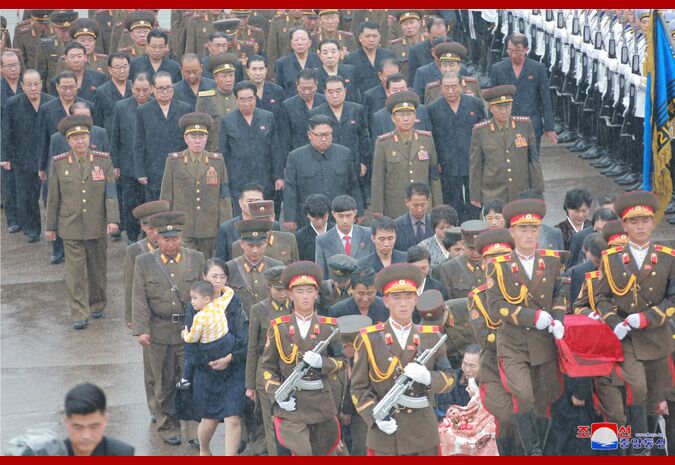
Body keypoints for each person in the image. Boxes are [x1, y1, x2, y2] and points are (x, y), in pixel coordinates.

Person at [594, 191, 675, 447]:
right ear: (625, 225)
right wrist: (613, 322)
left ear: (653, 223)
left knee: (655, 396)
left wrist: (648, 317)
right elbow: (601, 297)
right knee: (637, 387)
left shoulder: (667, 257)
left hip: (656, 334)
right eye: (634, 222)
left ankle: (644, 445)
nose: (640, 226)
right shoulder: (611, 259)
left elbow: (672, 297)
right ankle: (641, 452)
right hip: (627, 336)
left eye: (645, 221)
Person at [486, 198, 566, 455]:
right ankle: (532, 451)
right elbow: (495, 306)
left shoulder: (551, 261)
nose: (529, 234)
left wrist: (558, 318)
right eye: (523, 229)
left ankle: (538, 449)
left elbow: (558, 293)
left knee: (543, 400)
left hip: (543, 342)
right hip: (513, 343)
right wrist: (531, 317)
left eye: (534, 228)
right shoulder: (498, 266)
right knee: (523, 395)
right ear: (512, 232)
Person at [350, 263, 455, 455]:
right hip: (387, 436)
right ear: (386, 301)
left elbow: (449, 378)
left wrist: (429, 378)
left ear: (416, 299)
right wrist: (375, 417)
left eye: (408, 296)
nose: (403, 303)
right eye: (396, 297)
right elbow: (358, 388)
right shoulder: (369, 339)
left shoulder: (431, 336)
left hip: (422, 433)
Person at [132, 210, 205, 446]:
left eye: (175, 239)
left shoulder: (196, 258)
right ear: (157, 238)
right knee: (163, 382)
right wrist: (141, 329)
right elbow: (139, 298)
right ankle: (167, 425)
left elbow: (206, 294)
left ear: (181, 237)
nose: (171, 244)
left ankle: (194, 429)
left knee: (191, 379)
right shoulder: (144, 262)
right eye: (166, 239)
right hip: (159, 330)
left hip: (189, 329)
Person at [259, 261, 347, 456]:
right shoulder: (279, 327)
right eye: (300, 291)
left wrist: (322, 363)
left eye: (309, 291)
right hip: (292, 403)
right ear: (290, 295)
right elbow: (267, 368)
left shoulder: (329, 326)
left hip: (321, 403)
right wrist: (277, 394)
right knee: (302, 452)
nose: (305, 296)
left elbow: (342, 361)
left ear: (316, 294)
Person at [45, 115, 119, 330]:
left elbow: (111, 193)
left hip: (97, 223)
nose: (80, 141)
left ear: (89, 137)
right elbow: (53, 197)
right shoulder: (59, 164)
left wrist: (113, 219)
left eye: (84, 137)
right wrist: (50, 226)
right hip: (71, 225)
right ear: (68, 141)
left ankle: (97, 303)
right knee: (75, 273)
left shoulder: (103, 161)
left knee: (97, 269)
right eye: (75, 138)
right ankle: (79, 312)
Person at [175, 258, 249, 456]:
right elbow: (190, 342)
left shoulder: (233, 301)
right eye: (214, 276)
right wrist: (206, 361)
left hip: (232, 367)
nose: (218, 281)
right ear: (204, 277)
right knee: (209, 420)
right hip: (206, 368)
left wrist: (231, 357)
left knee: (233, 417)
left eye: (222, 277)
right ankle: (204, 449)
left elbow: (242, 334)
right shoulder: (195, 305)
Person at [469, 227, 520, 455]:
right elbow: (487, 339)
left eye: (505, 257)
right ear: (483, 264)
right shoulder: (478, 298)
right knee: (508, 418)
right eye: (492, 258)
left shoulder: (524, 289)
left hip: (528, 363)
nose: (499, 263)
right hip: (496, 369)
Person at [160, 112, 233, 258]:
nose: (198, 141)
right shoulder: (174, 162)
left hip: (209, 227)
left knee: (209, 264)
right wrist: (166, 225)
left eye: (202, 136)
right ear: (185, 138)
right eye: (193, 137)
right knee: (186, 264)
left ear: (207, 138)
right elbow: (166, 196)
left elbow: (224, 196)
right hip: (183, 226)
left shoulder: (217, 162)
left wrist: (225, 225)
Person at [122, 200, 169, 423]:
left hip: (171, 312)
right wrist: (131, 317)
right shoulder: (136, 251)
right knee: (152, 365)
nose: (154, 233)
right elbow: (130, 285)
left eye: (157, 228)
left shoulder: (175, 245)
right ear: (143, 228)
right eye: (149, 228)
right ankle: (154, 405)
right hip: (148, 315)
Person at [283, 114, 364, 230]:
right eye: (320, 135)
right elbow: (290, 189)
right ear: (309, 135)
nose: (324, 139)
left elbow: (353, 185)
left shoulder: (344, 154)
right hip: (308, 218)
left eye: (327, 134)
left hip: (339, 216)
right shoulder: (296, 157)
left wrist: (359, 211)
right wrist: (290, 217)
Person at [370, 90, 443, 219]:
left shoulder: (426, 139)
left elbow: (434, 175)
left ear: (415, 117)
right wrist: (377, 208)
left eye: (409, 114)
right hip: (396, 205)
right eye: (401, 114)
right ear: (393, 118)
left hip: (423, 204)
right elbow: (378, 178)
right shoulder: (383, 143)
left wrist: (438, 204)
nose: (406, 119)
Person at [1, 68, 54, 243]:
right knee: (27, 196)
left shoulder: (51, 102)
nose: (33, 88)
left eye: (36, 84)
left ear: (41, 84)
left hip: (47, 155)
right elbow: (6, 131)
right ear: (22, 86)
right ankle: (32, 229)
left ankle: (54, 229)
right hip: (23, 155)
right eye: (29, 85)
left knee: (51, 196)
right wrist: (5, 156)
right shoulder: (12, 104)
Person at [469, 85, 544, 208]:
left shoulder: (524, 125)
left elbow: (533, 160)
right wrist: (475, 195)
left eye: (507, 106)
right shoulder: (480, 131)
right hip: (493, 193)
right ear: (491, 108)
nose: (503, 111)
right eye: (499, 107)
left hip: (520, 191)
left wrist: (538, 189)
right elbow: (476, 165)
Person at [428, 71, 486, 221]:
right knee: (452, 203)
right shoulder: (433, 109)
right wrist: (436, 161)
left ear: (461, 86)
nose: (450, 91)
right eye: (446, 87)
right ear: (440, 87)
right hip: (447, 165)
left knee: (475, 202)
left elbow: (484, 133)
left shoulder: (475, 104)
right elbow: (431, 139)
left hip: (472, 162)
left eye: (454, 87)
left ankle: (474, 228)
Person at [219, 80, 283, 215]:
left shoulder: (267, 117)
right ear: (236, 100)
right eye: (242, 99)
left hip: (265, 178)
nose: (246, 103)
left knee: (265, 217)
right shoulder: (227, 121)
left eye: (250, 98)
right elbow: (224, 153)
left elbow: (276, 149)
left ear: (255, 98)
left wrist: (278, 176)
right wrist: (225, 181)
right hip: (238, 179)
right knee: (242, 218)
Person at [246, 265, 290, 455]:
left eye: (285, 289)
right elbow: (252, 349)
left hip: (290, 372)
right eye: (278, 289)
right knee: (271, 424)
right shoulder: (259, 310)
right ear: (269, 287)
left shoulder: (296, 307)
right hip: (265, 374)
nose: (282, 294)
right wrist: (250, 385)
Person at [489, 33, 557, 149]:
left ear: (526, 50)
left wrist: (549, 127)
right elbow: (493, 99)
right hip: (506, 124)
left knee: (532, 158)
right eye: (510, 51)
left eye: (518, 51)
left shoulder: (538, 68)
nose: (513, 55)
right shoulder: (498, 69)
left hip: (531, 124)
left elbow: (546, 99)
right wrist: (491, 124)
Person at [134, 71, 192, 201]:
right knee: (157, 207)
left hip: (180, 167)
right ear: (153, 89)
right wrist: (141, 172)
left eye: (168, 87)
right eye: (161, 88)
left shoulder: (185, 109)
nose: (165, 91)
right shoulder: (143, 111)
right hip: (154, 169)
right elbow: (139, 143)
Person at [110, 72, 153, 244]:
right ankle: (132, 237)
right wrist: (115, 164)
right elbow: (115, 136)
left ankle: (149, 237)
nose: (141, 94)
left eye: (145, 90)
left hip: (150, 164)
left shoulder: (156, 106)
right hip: (128, 164)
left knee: (148, 203)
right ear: (131, 88)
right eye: (137, 90)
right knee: (129, 203)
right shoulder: (121, 107)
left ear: (151, 89)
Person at [309, 75, 370, 184]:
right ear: (325, 92)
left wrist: (363, 162)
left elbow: (363, 138)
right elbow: (312, 142)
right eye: (330, 92)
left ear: (345, 91)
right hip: (327, 165)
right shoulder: (316, 113)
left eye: (338, 91)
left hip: (353, 165)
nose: (335, 95)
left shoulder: (356, 109)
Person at [178, 281, 235, 392]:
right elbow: (230, 292)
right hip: (226, 342)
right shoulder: (219, 304)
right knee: (232, 337)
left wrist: (184, 334)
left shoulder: (199, 317)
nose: (192, 302)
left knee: (189, 357)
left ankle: (185, 380)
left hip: (210, 348)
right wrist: (221, 287)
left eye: (195, 298)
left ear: (207, 299)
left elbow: (193, 338)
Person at [226, 219, 285, 315]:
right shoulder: (230, 268)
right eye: (250, 246)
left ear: (266, 243)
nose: (255, 251)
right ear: (241, 244)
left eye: (259, 246)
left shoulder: (277, 266)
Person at [214, 183, 282, 262]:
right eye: (250, 201)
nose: (254, 205)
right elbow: (220, 262)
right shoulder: (227, 229)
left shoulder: (273, 225)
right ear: (240, 203)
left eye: (258, 201)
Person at [62, 383, 134, 456]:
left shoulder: (123, 454)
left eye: (93, 427)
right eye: (78, 428)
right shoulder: (56, 453)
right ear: (66, 422)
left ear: (105, 419)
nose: (86, 436)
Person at [315, 195, 374, 277]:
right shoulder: (323, 240)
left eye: (348, 216)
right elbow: (321, 273)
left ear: (355, 213)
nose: (345, 221)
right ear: (333, 214)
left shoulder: (368, 234)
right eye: (341, 216)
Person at [230, 200, 299, 265]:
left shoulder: (288, 240)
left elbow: (295, 268)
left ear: (273, 217)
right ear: (251, 219)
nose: (263, 223)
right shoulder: (240, 245)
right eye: (258, 220)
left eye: (267, 219)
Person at [434, 220, 488, 299]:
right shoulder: (448, 268)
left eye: (479, 248)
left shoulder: (496, 265)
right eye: (471, 248)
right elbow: (447, 302)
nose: (476, 253)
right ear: (463, 244)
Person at [195, 53, 238, 151]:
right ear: (215, 78)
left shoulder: (240, 97)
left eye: (231, 75)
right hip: (214, 151)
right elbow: (200, 129)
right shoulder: (205, 99)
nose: (229, 80)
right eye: (224, 76)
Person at [280, 68, 326, 153]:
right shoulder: (287, 105)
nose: (307, 92)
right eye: (303, 88)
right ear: (297, 85)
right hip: (298, 152)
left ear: (316, 85)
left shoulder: (325, 101)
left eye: (310, 88)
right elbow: (284, 136)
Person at [343, 21, 395, 96]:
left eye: (374, 36)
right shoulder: (350, 58)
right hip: (361, 99)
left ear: (379, 38)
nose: (371, 40)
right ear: (360, 38)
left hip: (384, 98)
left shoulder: (388, 55)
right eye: (367, 36)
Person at [274, 28, 321, 98]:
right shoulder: (282, 63)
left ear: (310, 43)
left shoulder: (318, 60)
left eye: (303, 39)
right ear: (291, 44)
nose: (300, 43)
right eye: (296, 40)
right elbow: (278, 90)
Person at [92, 52, 131, 136]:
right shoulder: (101, 92)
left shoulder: (136, 88)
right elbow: (98, 121)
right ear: (110, 70)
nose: (122, 71)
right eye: (117, 67)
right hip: (111, 136)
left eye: (125, 66)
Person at [315, 39, 360, 103]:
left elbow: (357, 96)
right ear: (320, 55)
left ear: (339, 53)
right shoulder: (314, 75)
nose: (329, 56)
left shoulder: (351, 71)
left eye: (333, 52)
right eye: (325, 53)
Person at [393, 182, 434, 252]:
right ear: (406, 202)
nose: (420, 209)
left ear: (428, 200)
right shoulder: (396, 225)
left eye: (423, 205)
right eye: (415, 205)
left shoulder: (435, 223)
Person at [418, 205, 459, 269]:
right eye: (441, 228)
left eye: (449, 227)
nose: (445, 231)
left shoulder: (462, 244)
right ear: (434, 228)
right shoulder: (423, 247)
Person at [407, 16, 447, 84]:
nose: (439, 40)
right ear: (428, 33)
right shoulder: (416, 50)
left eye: (442, 37)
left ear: (446, 33)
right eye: (435, 38)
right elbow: (412, 80)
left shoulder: (455, 47)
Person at [295, 193, 334, 261]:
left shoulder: (336, 230)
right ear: (308, 215)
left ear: (328, 213)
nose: (319, 221)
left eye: (323, 217)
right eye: (315, 218)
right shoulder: (300, 236)